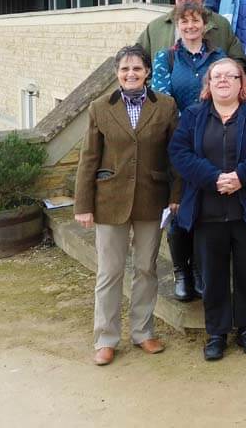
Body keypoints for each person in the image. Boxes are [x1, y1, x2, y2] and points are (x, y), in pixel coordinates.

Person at [168, 58, 246, 361]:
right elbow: (179, 152)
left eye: (230, 76)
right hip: (208, 210)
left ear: (241, 82)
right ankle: (217, 332)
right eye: (216, 76)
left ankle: (245, 328)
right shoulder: (193, 116)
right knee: (213, 274)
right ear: (208, 83)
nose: (222, 81)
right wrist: (213, 178)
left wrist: (241, 176)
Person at [74, 44, 180, 366]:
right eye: (124, 69)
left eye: (136, 68)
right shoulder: (99, 107)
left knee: (146, 268)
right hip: (110, 200)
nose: (130, 74)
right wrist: (83, 204)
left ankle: (143, 332)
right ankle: (106, 339)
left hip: (152, 198)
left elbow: (175, 155)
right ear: (116, 73)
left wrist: (176, 196)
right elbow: (88, 158)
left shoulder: (165, 106)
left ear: (147, 72)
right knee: (110, 271)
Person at [151, 2, 226, 302]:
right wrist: (190, 125)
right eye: (185, 22)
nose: (191, 26)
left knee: (206, 208)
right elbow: (162, 99)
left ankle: (199, 270)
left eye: (196, 21)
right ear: (177, 25)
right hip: (179, 143)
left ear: (205, 25)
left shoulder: (219, 57)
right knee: (178, 206)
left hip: (213, 141)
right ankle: (181, 271)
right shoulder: (166, 57)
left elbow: (225, 94)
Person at [137, 0, 243, 62]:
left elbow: (237, 58)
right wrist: (151, 80)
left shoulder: (221, 24)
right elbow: (137, 59)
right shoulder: (155, 27)